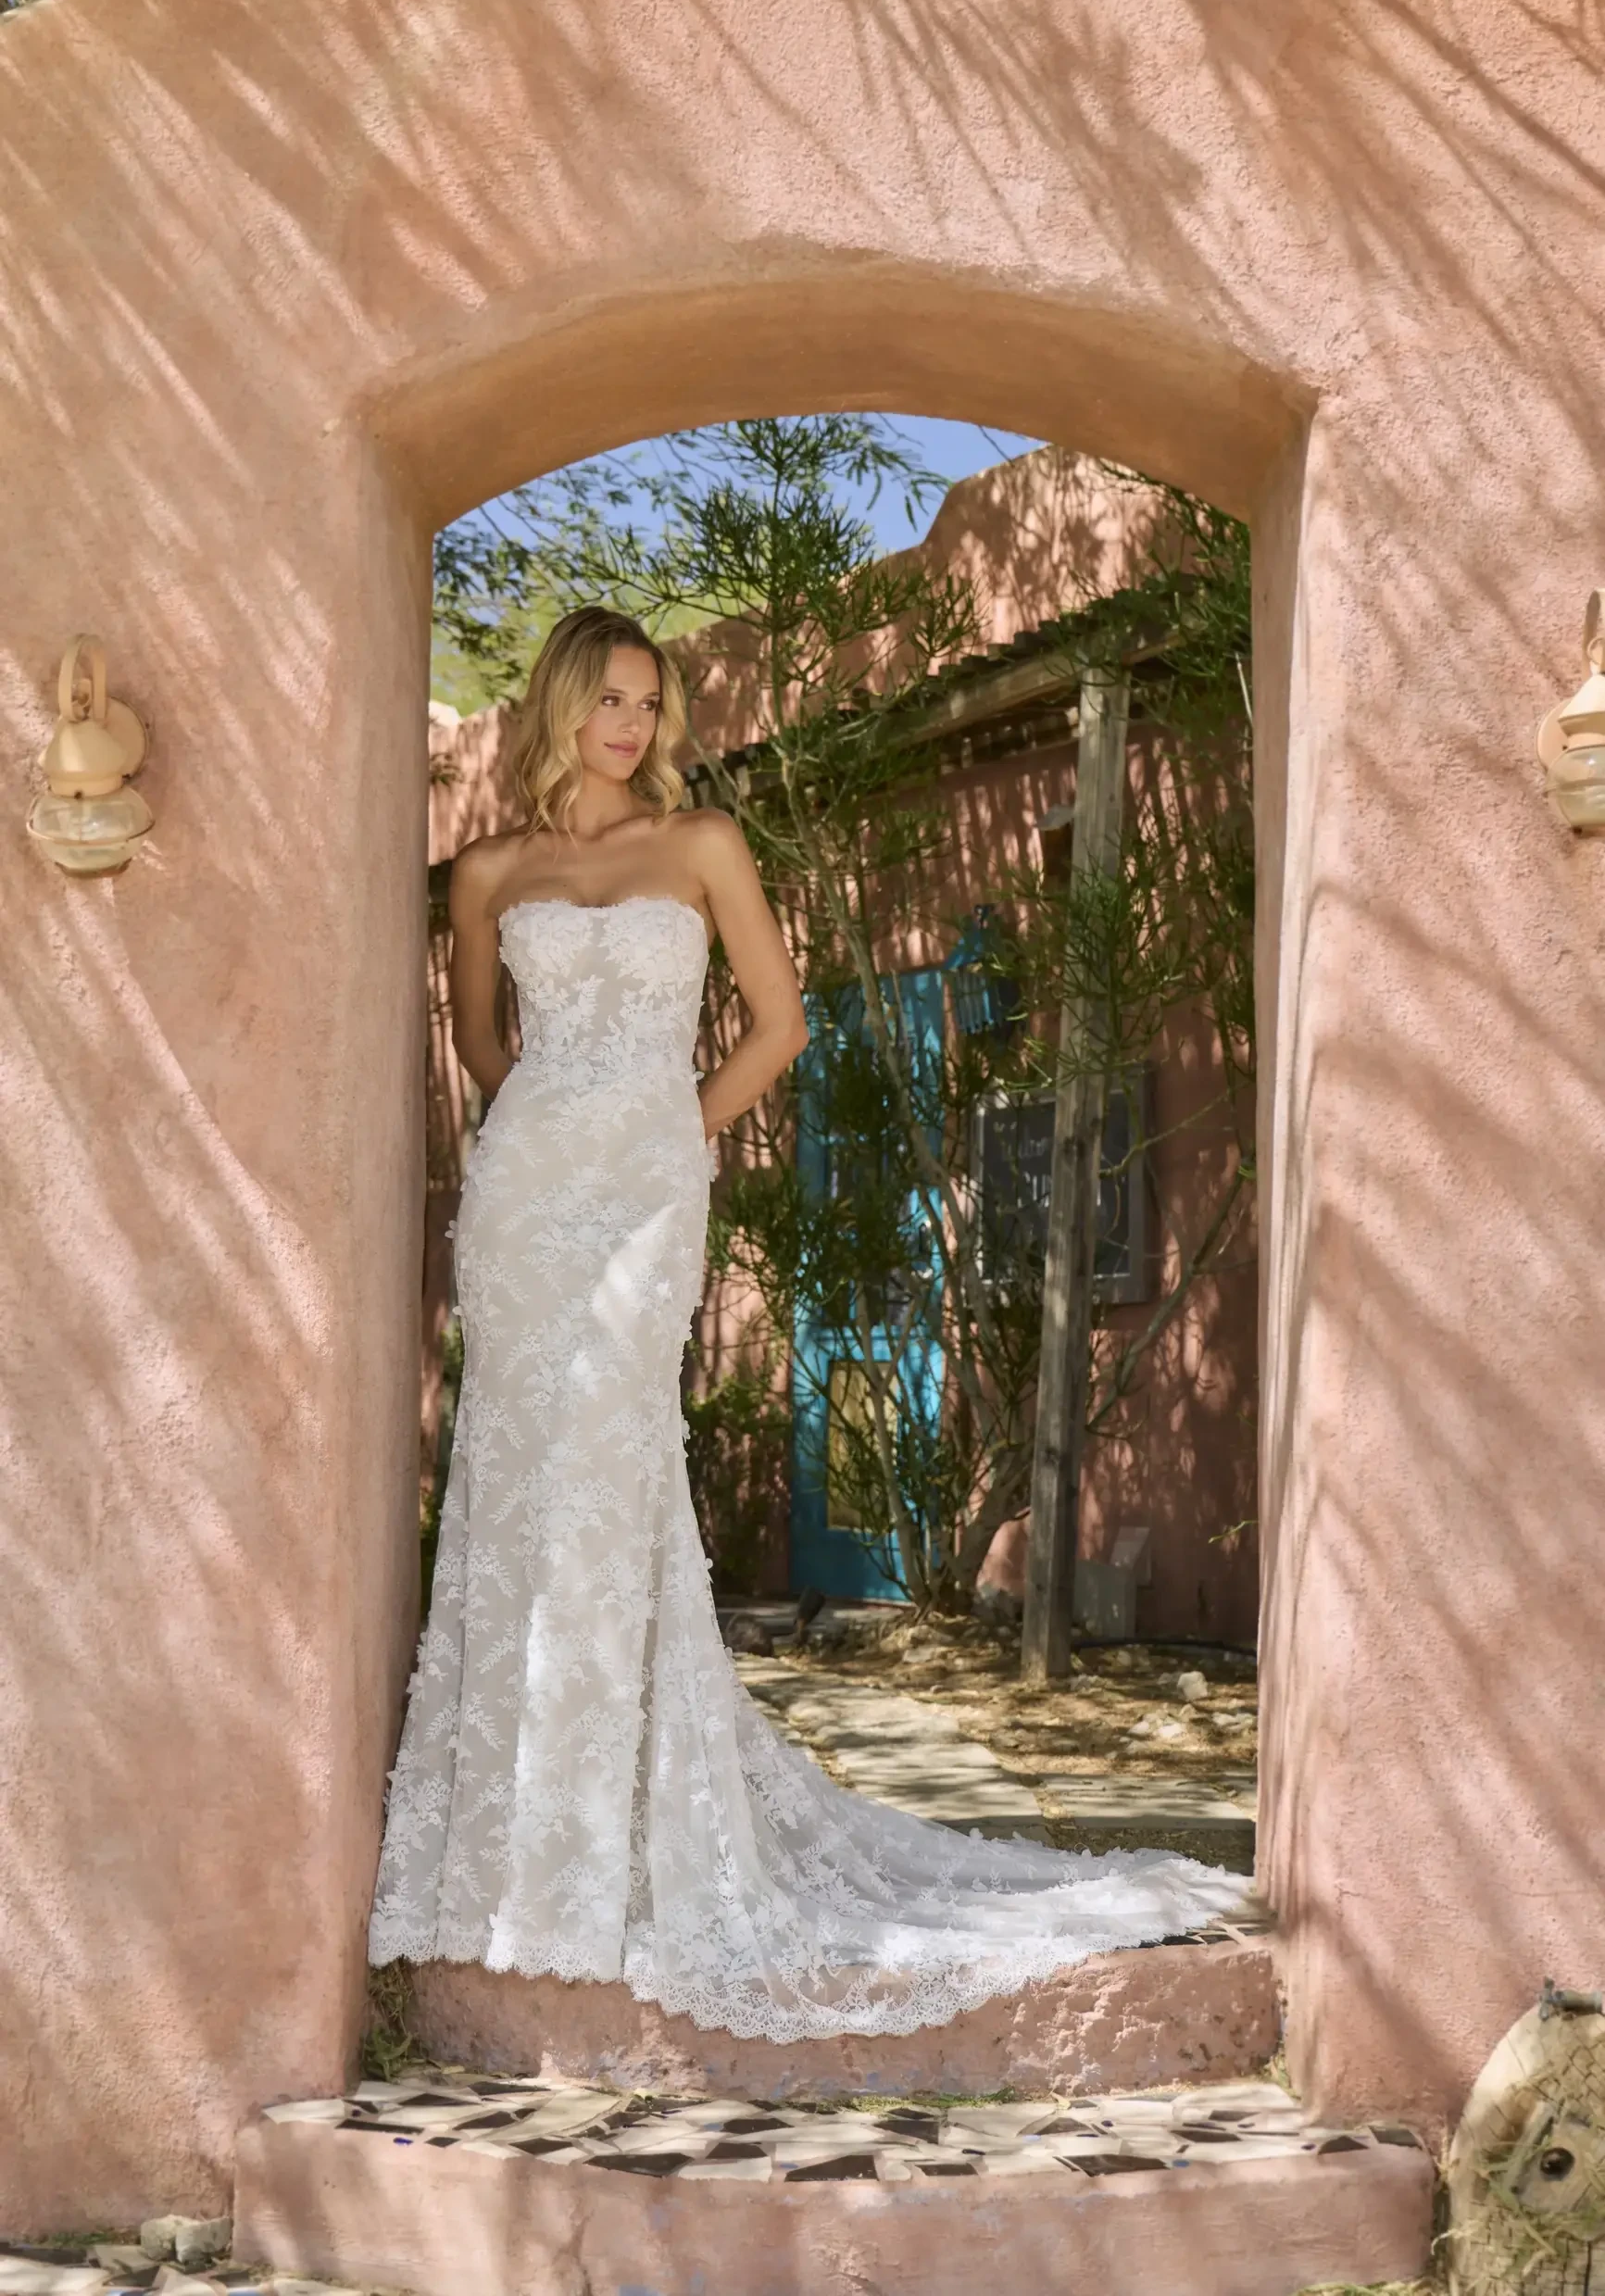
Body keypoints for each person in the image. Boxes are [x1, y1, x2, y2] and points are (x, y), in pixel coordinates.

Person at [368, 605, 1247, 2040]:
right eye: (607, 701)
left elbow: (780, 1024)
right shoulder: (488, 871)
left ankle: (619, 1836)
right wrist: (555, 1126)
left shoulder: (704, 844)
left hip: (648, 1190)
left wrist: (669, 1132)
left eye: (650, 703)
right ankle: (518, 1845)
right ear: (555, 707)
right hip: (528, 1200)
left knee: (610, 1460)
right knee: (519, 1485)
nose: (632, 727)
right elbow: (479, 1043)